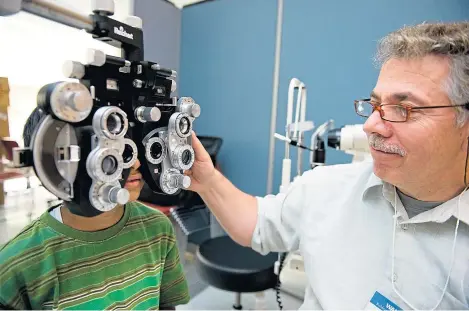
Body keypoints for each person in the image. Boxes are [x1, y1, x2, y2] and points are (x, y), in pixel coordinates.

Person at [185, 21, 469, 310]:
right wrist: (207, 179)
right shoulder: (326, 187)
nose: (371, 126)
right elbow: (256, 225)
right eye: (374, 106)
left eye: (404, 109)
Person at [0, 107, 190, 310]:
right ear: (56, 164)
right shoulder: (17, 263)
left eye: (129, 148)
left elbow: (165, 305)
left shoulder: (158, 228)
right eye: (109, 151)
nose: (134, 163)